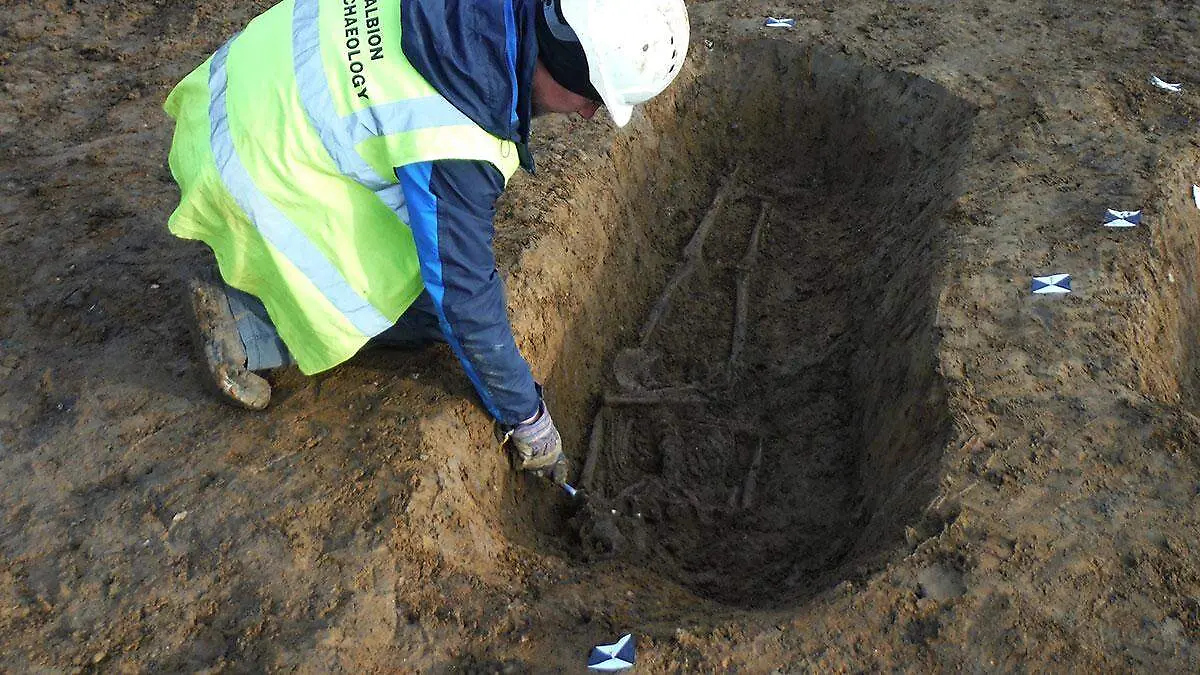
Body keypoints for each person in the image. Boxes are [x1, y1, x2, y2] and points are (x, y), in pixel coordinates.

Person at [163, 0, 689, 483]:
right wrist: (528, 420)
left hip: (230, 93)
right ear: (568, 61)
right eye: (593, 96)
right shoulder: (454, 128)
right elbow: (464, 298)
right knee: (426, 312)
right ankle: (247, 323)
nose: (589, 114)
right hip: (248, 175)